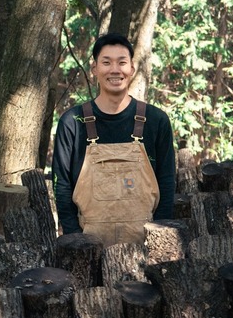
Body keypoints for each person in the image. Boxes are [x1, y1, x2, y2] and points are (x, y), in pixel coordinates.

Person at [52, 33, 175, 245]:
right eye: (106, 62)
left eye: (122, 62)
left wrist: (158, 241)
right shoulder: (73, 122)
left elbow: (166, 182)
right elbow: (62, 185)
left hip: (146, 246)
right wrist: (76, 241)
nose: (115, 70)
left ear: (132, 69)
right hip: (86, 250)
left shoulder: (156, 121)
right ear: (94, 70)